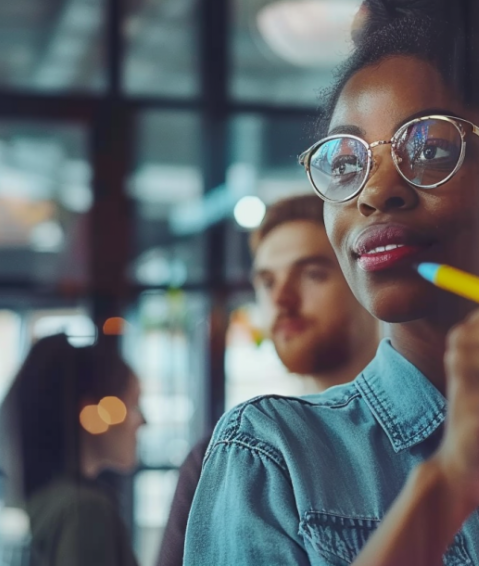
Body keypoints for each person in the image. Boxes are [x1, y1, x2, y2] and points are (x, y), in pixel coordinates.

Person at [183, 0, 479, 564]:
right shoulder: (273, 455)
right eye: (346, 163)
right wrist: (452, 478)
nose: (375, 192)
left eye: (430, 148)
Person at [155, 194, 380, 566]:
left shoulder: (441, 442)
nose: (282, 300)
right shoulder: (226, 458)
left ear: (368, 278)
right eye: (267, 281)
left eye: (312, 274)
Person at [0, 334, 145, 566]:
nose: (143, 421)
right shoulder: (85, 512)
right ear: (92, 414)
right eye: (133, 404)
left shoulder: (26, 507)